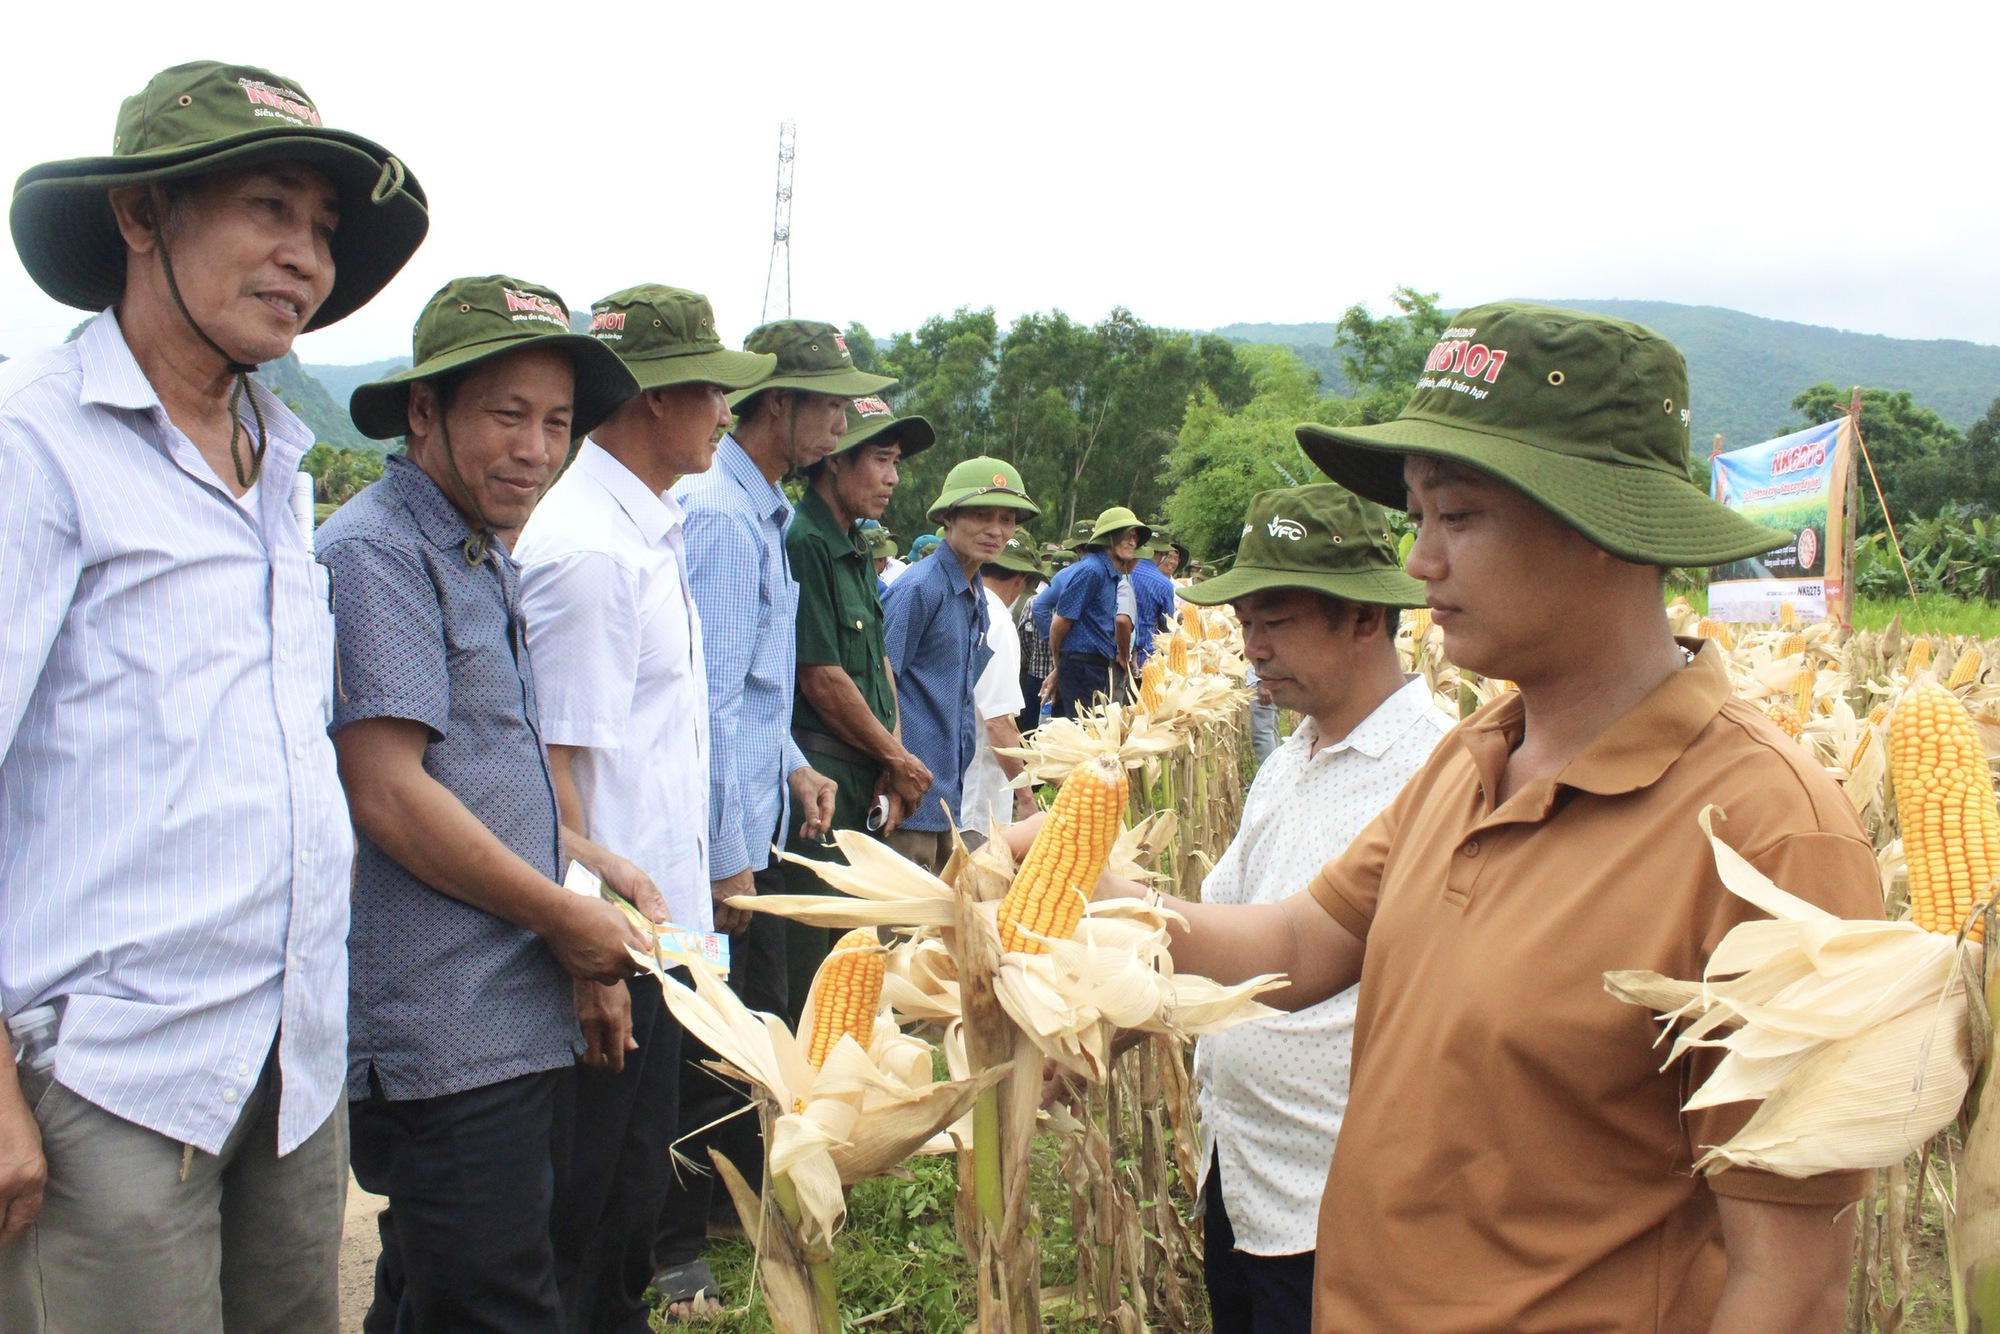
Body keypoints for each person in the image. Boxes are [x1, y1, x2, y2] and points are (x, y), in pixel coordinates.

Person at [1127, 304, 1881, 1330]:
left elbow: (1786, 1281)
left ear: (1604, 528)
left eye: (1459, 516)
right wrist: (1103, 902)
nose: (1420, 561)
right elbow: (1300, 944)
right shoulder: (1469, 757)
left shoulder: (1766, 833)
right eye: (1415, 514)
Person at [0, 60, 427, 1333]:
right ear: (142, 216)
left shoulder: (280, 459)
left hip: (286, 1062)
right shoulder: (38, 449)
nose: (304, 257)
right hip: (110, 1080)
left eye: (322, 230)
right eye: (267, 207)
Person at [320, 275, 655, 1332]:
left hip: (511, 1001)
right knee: (494, 1301)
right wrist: (564, 916)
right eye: (506, 414)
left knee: (438, 1293)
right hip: (444, 1024)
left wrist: (580, 859)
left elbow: (477, 776)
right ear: (426, 411)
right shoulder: (378, 552)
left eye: (555, 421)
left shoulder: (479, 552)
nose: (535, 448)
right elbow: (389, 792)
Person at [513, 284, 774, 1332]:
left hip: (668, 934)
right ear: (651, 398)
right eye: (711, 390)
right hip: (614, 942)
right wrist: (594, 961)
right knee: (592, 1208)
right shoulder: (587, 553)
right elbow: (556, 775)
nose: (723, 413)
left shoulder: (648, 532)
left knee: (635, 1182)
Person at [1176, 485, 1448, 1334]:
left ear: (1366, 618)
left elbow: (1296, 952)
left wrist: (1111, 902)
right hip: (1242, 1172)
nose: (1251, 647)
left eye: (1277, 620)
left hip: (1340, 1209)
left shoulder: (1435, 776)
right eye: (1245, 620)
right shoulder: (1292, 756)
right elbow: (1219, 924)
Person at [654, 318, 860, 1304]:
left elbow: (753, 692)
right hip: (717, 840)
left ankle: (733, 1205)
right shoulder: (721, 517)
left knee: (751, 1023)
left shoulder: (762, 511)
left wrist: (792, 766)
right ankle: (673, 1238)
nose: (841, 418)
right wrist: (728, 854)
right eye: (824, 401)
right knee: (707, 1037)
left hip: (756, 812)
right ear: (769, 402)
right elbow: (701, 699)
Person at [781, 393, 937, 1019]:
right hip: (820, 781)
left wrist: (892, 758)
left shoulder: (853, 546)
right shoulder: (807, 542)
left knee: (857, 951)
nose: (893, 477)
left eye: (896, 460)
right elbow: (821, 675)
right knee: (816, 969)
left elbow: (877, 667)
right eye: (880, 458)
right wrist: (893, 757)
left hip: (862, 772)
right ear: (834, 462)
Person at [882, 457, 1041, 870]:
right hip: (911, 800)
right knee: (905, 930)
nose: (996, 530)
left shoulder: (973, 596)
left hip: (947, 798)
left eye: (1007, 519)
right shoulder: (920, 589)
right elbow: (879, 684)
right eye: (981, 515)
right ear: (949, 517)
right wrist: (896, 769)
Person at [961, 535, 1046, 839]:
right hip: (977, 797)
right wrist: (1026, 798)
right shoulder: (998, 624)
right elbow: (998, 722)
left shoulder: (963, 609)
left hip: (949, 784)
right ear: (1021, 580)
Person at [1043, 506, 1147, 718]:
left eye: (1134, 537)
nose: (1132, 542)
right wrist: (1059, 664)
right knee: (1084, 734)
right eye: (1126, 536)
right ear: (1109, 537)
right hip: (1082, 667)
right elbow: (1060, 623)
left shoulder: (1110, 572)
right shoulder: (1092, 570)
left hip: (1095, 666)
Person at [1128, 525, 1180, 664]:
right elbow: (1167, 626)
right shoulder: (1164, 584)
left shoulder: (1123, 569)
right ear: (1163, 554)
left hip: (1118, 652)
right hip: (1146, 656)